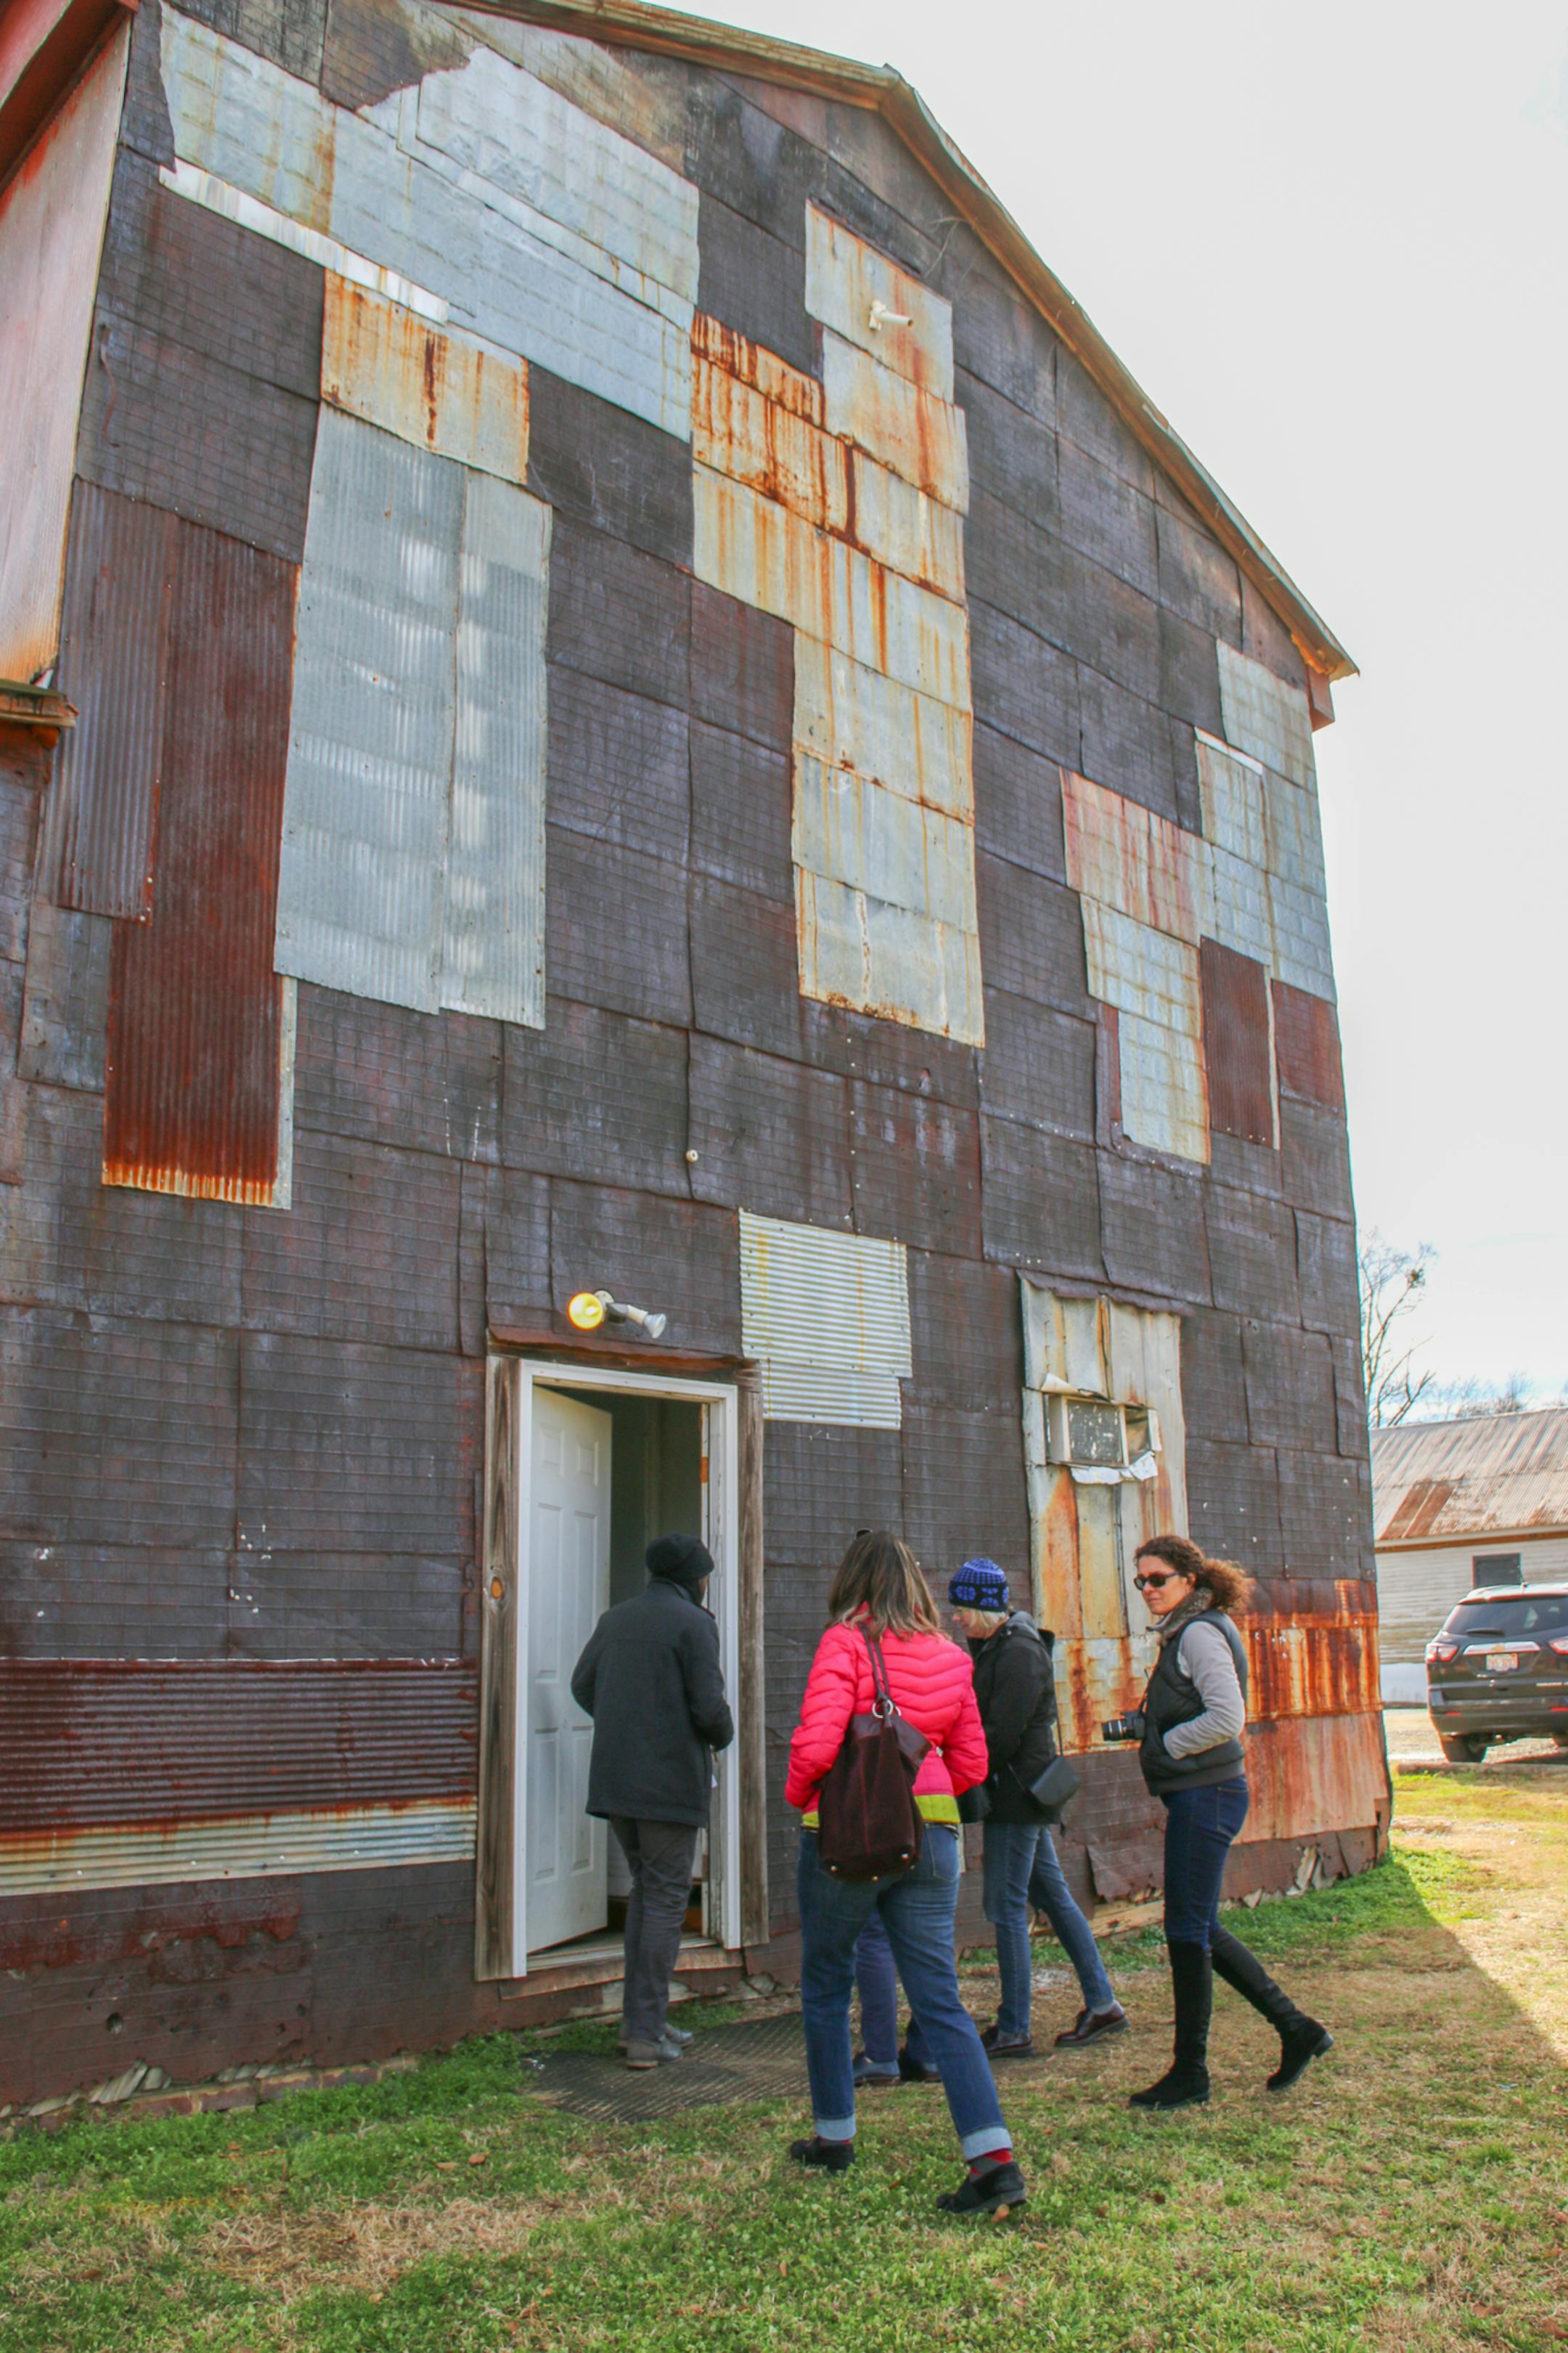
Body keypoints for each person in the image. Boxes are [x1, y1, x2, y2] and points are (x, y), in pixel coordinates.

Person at [784, 1530, 1028, 2217]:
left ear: (853, 1581)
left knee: (827, 1983)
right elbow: (974, 1764)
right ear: (917, 1585)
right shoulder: (952, 1655)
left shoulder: (844, 1642)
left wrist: (803, 1797)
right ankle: (993, 2161)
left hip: (850, 1837)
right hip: (934, 1835)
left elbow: (817, 1741)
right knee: (940, 1999)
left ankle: (835, 2135)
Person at [851, 1559, 1124, 2081]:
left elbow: (997, 1734)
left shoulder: (1018, 1652)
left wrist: (956, 1771)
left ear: (984, 1606)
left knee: (1005, 1907)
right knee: (1054, 1896)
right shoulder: (1002, 1645)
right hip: (1019, 1796)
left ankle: (1014, 2027)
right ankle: (1103, 2002)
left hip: (1017, 1800)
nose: (955, 1619)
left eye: (961, 1609)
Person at [1123, 1533, 1334, 2111]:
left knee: (1187, 1930)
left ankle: (1191, 2073)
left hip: (1207, 1794)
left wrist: (1166, 1742)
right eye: (1139, 1579)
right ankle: (1297, 2031)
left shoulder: (1198, 1632)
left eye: (1157, 1578)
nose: (1146, 1588)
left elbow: (1227, 1716)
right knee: (1197, 1926)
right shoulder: (1188, 1630)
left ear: (1190, 1580)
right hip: (1201, 1793)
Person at [571, 1533, 734, 2071]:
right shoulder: (695, 1625)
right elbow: (709, 1707)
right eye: (706, 1574)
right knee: (666, 1899)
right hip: (667, 1785)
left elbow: (581, 1684)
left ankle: (640, 2022)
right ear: (695, 1578)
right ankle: (645, 2032)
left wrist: (626, 1722)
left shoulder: (615, 1618)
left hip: (617, 1782)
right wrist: (723, 1733)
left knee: (648, 1892)